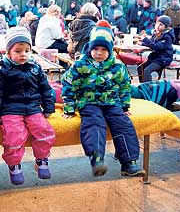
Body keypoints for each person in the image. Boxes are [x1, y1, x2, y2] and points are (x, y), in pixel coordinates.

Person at [61, 21, 145, 177]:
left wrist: (125, 106)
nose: (99, 53)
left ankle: (129, 163)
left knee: (122, 123)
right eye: (95, 49)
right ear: (90, 48)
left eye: (103, 49)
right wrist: (70, 108)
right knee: (94, 122)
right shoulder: (80, 64)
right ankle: (97, 158)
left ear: (110, 50)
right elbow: (68, 84)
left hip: (112, 102)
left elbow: (125, 85)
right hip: (88, 102)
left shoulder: (118, 66)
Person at [0, 27, 56, 185]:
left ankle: (41, 160)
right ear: (8, 52)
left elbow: (45, 88)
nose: (23, 54)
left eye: (27, 50)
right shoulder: (2, 69)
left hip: (33, 108)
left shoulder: (35, 68)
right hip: (10, 109)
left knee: (45, 131)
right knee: (14, 135)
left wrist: (49, 107)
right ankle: (14, 164)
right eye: (18, 51)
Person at [136, 15, 174, 82]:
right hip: (155, 57)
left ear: (166, 26)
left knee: (146, 71)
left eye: (161, 24)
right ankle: (142, 86)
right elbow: (151, 42)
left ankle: (149, 89)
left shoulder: (167, 36)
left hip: (163, 59)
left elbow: (157, 46)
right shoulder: (156, 33)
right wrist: (142, 43)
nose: (158, 26)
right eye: (157, 23)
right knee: (140, 68)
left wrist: (145, 39)